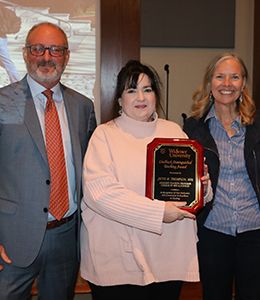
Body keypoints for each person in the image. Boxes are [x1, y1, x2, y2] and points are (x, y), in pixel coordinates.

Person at [80, 60, 212, 300]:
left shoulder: (173, 132)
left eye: (147, 89)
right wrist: (159, 212)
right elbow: (100, 194)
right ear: (120, 99)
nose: (141, 97)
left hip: (168, 256)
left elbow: (192, 193)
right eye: (131, 90)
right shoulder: (105, 135)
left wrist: (202, 185)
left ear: (155, 95)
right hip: (117, 260)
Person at [0, 22, 97, 300]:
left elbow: (91, 170)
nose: (46, 57)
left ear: (66, 56)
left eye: (55, 50)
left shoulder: (83, 106)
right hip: (11, 239)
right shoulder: (4, 101)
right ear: (26, 53)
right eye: (38, 49)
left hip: (66, 237)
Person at [183, 52, 260, 300]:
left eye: (235, 77)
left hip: (254, 231)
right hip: (213, 231)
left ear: (243, 84)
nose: (227, 84)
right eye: (220, 77)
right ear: (209, 83)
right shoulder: (193, 128)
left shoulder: (257, 125)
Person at [0, 3, 21, 83]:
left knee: (7, 62)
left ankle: (17, 84)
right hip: (2, 37)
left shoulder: (3, 11)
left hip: (1, 37)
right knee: (7, 62)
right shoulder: (5, 10)